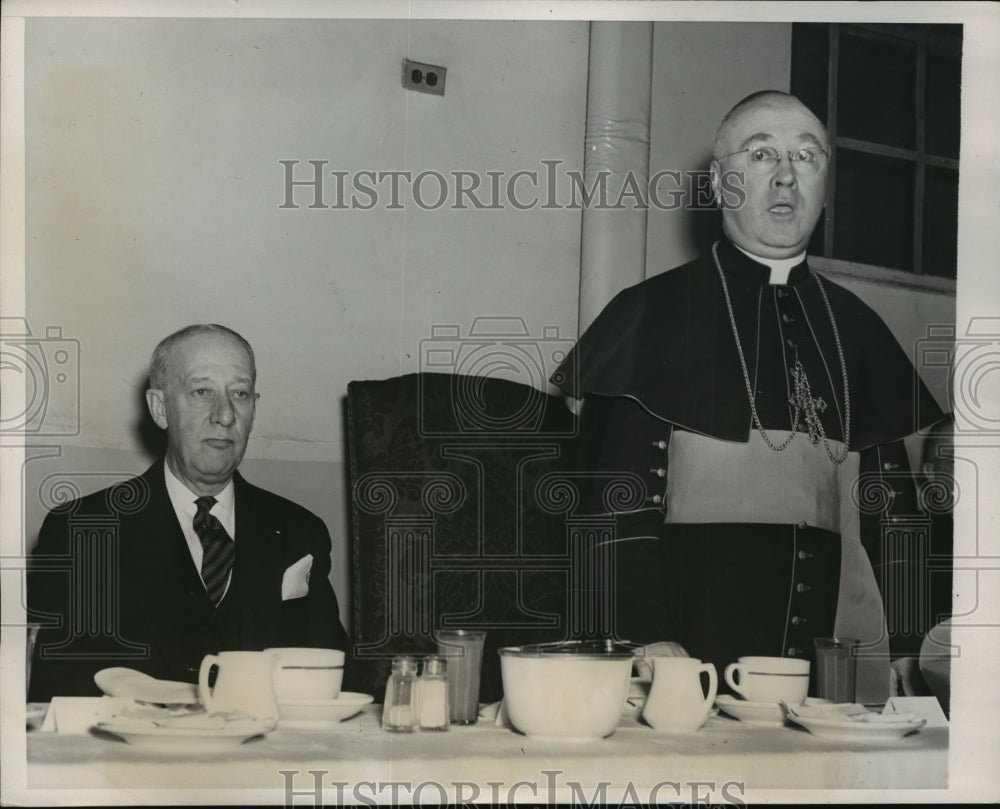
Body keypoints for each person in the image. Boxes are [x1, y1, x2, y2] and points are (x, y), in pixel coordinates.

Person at [552, 91, 944, 689]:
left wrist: (910, 658)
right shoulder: (648, 314)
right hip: (689, 666)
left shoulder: (858, 328)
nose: (787, 175)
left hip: (834, 674)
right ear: (718, 182)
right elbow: (612, 512)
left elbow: (893, 520)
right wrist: (649, 642)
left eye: (807, 158)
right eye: (762, 155)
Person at [28, 324, 350, 700]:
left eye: (240, 394)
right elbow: (54, 690)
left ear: (253, 408)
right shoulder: (82, 531)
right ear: (160, 408)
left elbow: (335, 675)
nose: (225, 415)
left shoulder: (299, 531)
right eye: (201, 392)